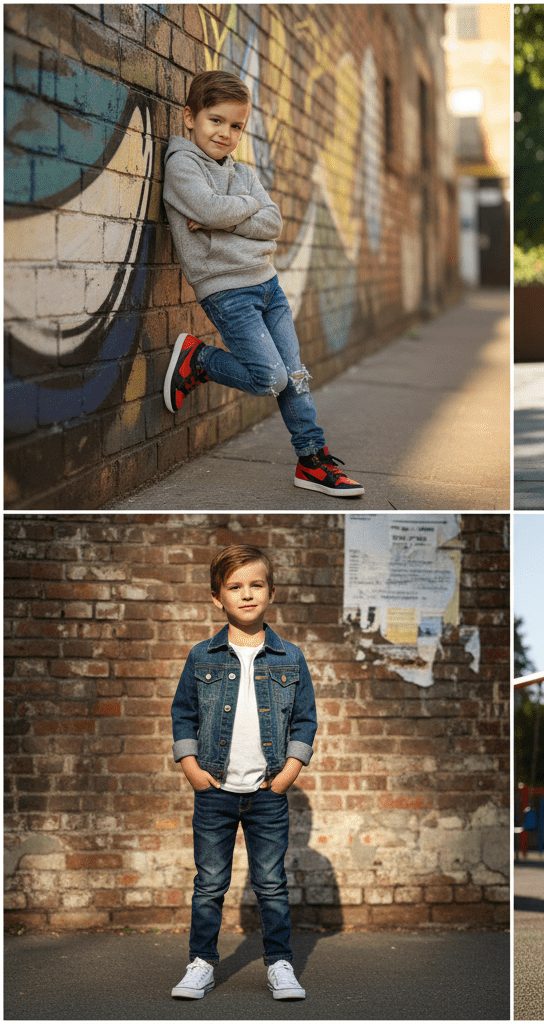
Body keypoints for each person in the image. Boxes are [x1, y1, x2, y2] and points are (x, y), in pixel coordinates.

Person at [161, 69, 363, 498]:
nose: (226, 133)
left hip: (268, 286)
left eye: (236, 126)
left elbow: (272, 222)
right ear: (189, 117)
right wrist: (239, 211)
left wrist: (229, 212)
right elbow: (208, 208)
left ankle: (311, 459)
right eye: (216, 120)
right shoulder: (181, 166)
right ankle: (199, 361)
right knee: (272, 378)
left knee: (296, 375)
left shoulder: (243, 174)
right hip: (227, 291)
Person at [170, 544, 317, 1001]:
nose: (247, 594)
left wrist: (288, 772)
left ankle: (280, 964)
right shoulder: (202, 656)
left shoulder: (290, 658)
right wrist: (191, 767)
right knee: (210, 883)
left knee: (271, 884)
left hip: (267, 790)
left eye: (256, 585)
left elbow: (306, 720)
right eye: (235, 587)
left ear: (271, 592)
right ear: (218, 598)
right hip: (214, 789)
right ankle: (201, 963)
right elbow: (183, 714)